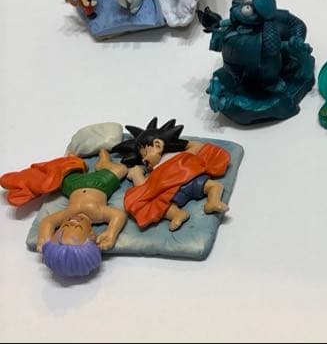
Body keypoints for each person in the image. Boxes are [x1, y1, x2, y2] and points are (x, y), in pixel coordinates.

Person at [1, 149, 129, 278]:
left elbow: (48, 222)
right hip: (100, 183)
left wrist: (44, 238)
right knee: (122, 169)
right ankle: (104, 163)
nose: (73, 221)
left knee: (61, 172)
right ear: (91, 234)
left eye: (66, 225)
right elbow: (118, 215)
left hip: (72, 186)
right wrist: (111, 233)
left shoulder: (67, 214)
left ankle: (74, 161)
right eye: (78, 227)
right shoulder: (98, 214)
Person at [112, 118, 230, 232]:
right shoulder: (154, 172)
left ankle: (213, 202)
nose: (144, 160)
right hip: (171, 193)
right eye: (142, 159)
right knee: (161, 207)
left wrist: (182, 143)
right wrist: (137, 174)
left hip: (193, 181)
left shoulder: (178, 155)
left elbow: (198, 147)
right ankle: (178, 214)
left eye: (145, 154)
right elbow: (145, 188)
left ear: (158, 145)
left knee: (215, 186)